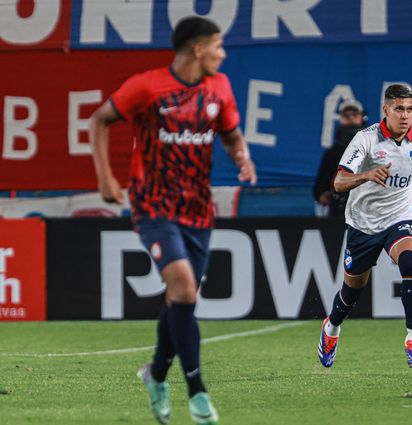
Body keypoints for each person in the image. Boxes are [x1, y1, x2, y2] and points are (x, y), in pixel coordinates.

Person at [89, 16, 256, 425]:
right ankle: (198, 394)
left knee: (181, 300)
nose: (223, 53)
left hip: (198, 209)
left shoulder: (220, 87)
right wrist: (105, 177)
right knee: (182, 287)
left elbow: (230, 132)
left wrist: (241, 156)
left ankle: (156, 375)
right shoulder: (146, 86)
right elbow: (99, 120)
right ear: (198, 49)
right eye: (218, 45)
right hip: (153, 205)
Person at [317, 84, 412, 369]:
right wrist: (368, 175)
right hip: (363, 224)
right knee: (352, 292)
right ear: (386, 110)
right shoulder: (365, 140)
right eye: (398, 109)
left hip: (401, 217)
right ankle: (331, 328)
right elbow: (338, 182)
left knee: (410, 262)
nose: (405, 115)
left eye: (409, 109)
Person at [313, 99, 367, 218]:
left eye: (355, 114)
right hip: (340, 210)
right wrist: (327, 195)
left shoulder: (374, 145)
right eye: (346, 115)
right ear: (340, 119)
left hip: (369, 208)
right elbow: (319, 188)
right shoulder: (332, 152)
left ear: (362, 117)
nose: (351, 118)